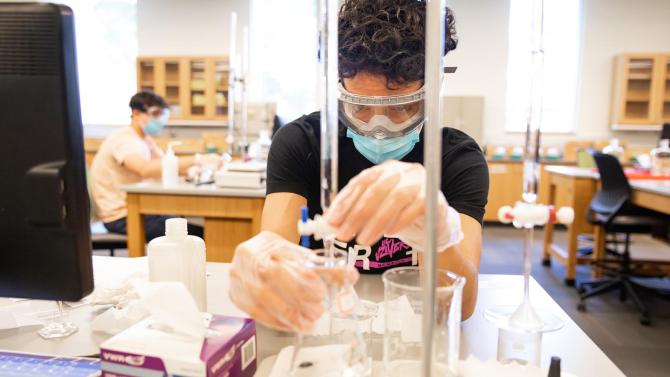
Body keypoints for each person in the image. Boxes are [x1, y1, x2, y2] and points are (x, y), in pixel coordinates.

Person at [230, 0, 489, 332]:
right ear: (338, 89)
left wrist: (436, 234)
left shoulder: (458, 158)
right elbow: (276, 256)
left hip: (414, 334)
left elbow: (458, 309)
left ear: (432, 92)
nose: (378, 127)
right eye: (360, 107)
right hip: (330, 323)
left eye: (402, 108)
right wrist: (263, 271)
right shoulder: (301, 142)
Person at [90, 91, 218, 240]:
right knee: (197, 234)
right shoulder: (124, 139)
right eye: (155, 114)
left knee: (187, 226)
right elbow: (145, 169)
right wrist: (198, 158)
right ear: (136, 113)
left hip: (139, 208)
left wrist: (192, 171)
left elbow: (166, 163)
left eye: (161, 115)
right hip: (121, 216)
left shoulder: (144, 139)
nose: (159, 120)